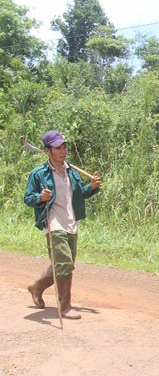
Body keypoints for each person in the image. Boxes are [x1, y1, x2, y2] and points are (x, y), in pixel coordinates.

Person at [24, 130, 101, 320]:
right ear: (48, 151)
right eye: (58, 148)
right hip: (52, 221)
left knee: (64, 263)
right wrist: (40, 197)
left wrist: (91, 187)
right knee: (64, 263)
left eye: (64, 147)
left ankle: (37, 286)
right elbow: (28, 198)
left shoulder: (71, 172)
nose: (63, 151)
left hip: (70, 221)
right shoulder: (38, 174)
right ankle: (65, 307)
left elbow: (79, 194)